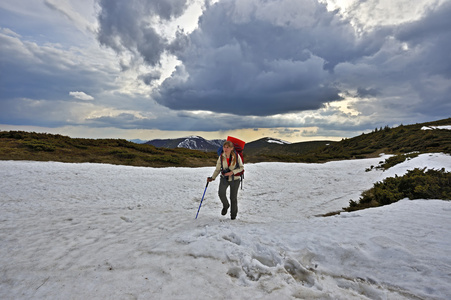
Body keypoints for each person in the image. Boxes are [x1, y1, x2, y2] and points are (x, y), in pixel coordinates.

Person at [207, 141, 244, 220]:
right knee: (221, 193)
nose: (225, 149)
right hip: (224, 178)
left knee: (233, 198)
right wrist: (212, 178)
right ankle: (226, 205)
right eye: (224, 147)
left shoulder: (236, 156)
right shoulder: (221, 157)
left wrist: (232, 172)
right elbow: (217, 169)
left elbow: (241, 167)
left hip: (235, 179)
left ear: (231, 148)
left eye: (227, 147)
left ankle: (233, 216)